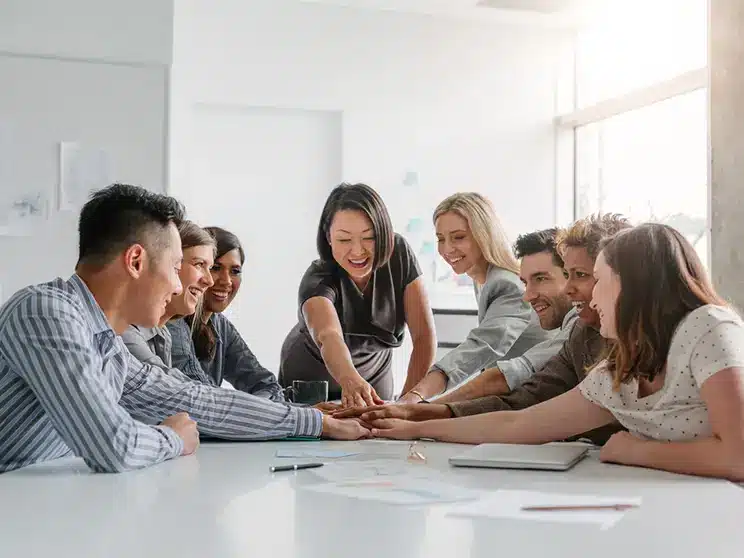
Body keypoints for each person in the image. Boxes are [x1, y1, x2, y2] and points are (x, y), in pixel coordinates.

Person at [0, 184, 368, 474]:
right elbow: (113, 445)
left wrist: (316, 422)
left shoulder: (106, 342)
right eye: (176, 265)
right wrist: (173, 439)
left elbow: (198, 401)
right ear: (136, 261)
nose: (180, 286)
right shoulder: (46, 313)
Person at [367, 223, 744, 481]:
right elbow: (518, 423)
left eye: (600, 280)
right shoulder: (619, 368)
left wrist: (635, 450)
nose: (592, 295)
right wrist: (412, 429)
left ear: (632, 287)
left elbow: (737, 457)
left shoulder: (708, 326)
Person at [337, 213, 630, 446]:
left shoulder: (507, 285)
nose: (528, 295)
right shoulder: (582, 334)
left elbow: (498, 370)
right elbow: (521, 404)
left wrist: (415, 410)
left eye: (579, 276)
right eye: (441, 238)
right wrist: (413, 414)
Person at [278, 183, 437, 408]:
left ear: (384, 233)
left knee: (381, 433)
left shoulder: (399, 253)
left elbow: (424, 337)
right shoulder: (316, 280)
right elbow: (328, 335)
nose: (357, 251)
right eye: (344, 240)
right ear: (329, 237)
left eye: (369, 237)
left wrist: (409, 402)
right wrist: (350, 380)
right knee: (316, 437)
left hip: (375, 371)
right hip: (312, 373)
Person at [395, 193, 550, 403]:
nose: (447, 249)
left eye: (458, 237)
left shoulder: (506, 284)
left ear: (483, 235)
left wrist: (416, 395)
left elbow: (479, 349)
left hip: (534, 397)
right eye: (441, 239)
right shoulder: (482, 278)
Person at [168, 227, 284, 401]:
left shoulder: (220, 325)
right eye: (215, 268)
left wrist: (293, 413)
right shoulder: (173, 321)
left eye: (235, 271)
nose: (226, 281)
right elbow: (205, 400)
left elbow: (265, 384)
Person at [121, 220, 216, 386]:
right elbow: (178, 390)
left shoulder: (162, 333)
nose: (210, 281)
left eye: (210, 268)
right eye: (199, 264)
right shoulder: (125, 332)